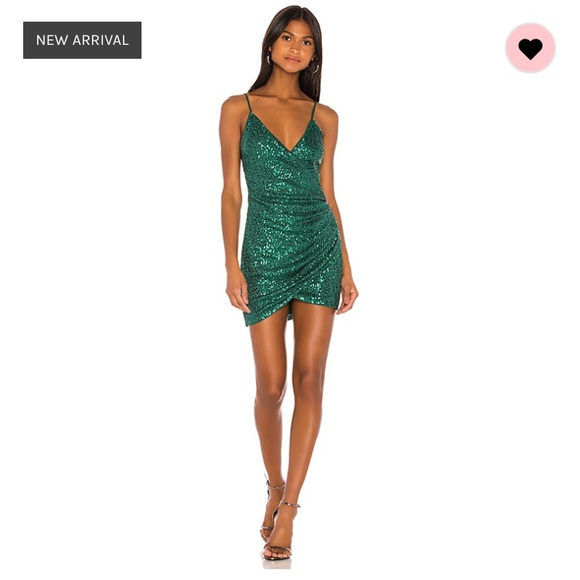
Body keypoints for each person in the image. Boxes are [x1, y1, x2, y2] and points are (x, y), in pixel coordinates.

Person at [219, 5, 359, 560]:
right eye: (287, 38)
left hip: (319, 249)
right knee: (270, 387)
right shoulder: (237, 108)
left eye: (307, 42)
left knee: (310, 379)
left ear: (314, 54)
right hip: (263, 253)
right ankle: (273, 484)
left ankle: (291, 508)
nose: (296, 49)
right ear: (270, 45)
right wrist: (231, 264)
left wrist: (347, 265)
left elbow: (329, 194)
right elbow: (231, 193)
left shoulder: (326, 117)